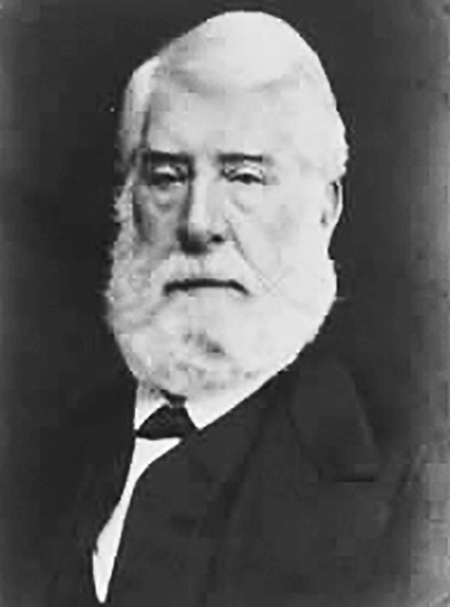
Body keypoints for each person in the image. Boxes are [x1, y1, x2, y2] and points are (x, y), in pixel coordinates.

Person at [40, 10, 443, 607]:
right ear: (128, 201)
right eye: (167, 176)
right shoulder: (39, 458)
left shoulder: (414, 493)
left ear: (324, 210)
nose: (198, 222)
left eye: (245, 177)